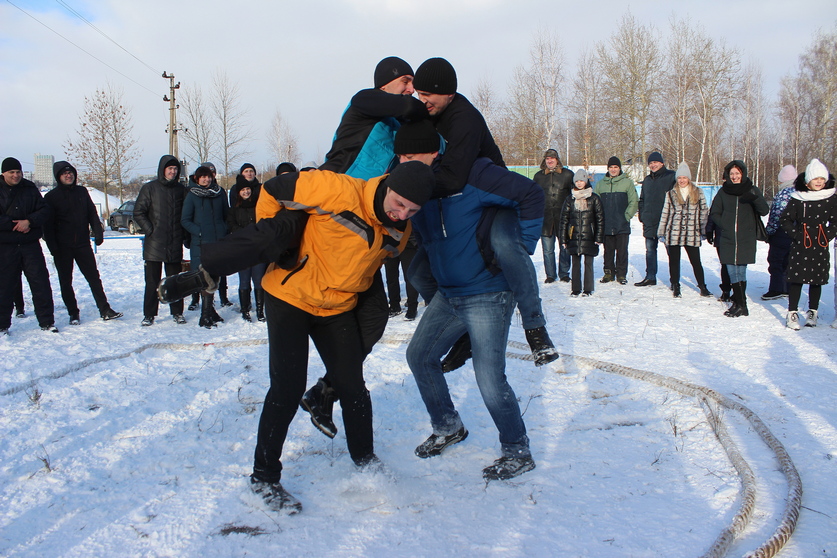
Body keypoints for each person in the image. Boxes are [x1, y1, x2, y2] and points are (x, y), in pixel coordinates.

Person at [249, 161, 435, 512]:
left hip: (335, 307)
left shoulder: (400, 229)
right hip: (290, 296)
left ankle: (365, 460)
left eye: (412, 211)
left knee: (352, 387)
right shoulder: (337, 190)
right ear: (388, 185)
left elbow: (372, 263)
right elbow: (273, 190)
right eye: (399, 204)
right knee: (287, 388)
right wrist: (276, 242)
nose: (401, 215)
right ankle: (264, 476)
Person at [412, 57, 558, 367]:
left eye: (428, 95)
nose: (422, 101)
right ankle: (463, 329)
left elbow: (453, 178)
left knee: (506, 246)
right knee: (417, 272)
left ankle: (535, 327)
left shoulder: (464, 119)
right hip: (465, 202)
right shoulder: (430, 113)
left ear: (449, 93)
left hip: (497, 200)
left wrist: (523, 244)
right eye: (418, 94)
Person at [406, 155, 544, 481]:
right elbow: (425, 239)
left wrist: (519, 247)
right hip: (449, 294)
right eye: (401, 156)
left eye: (410, 155)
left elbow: (530, 195)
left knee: (489, 379)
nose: (404, 161)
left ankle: (517, 451)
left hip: (488, 293)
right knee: (419, 356)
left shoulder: (472, 176)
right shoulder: (420, 190)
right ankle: (448, 426)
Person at [320, 56, 427, 178]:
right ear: (384, 85)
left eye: (413, 84)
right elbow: (409, 107)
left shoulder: (399, 122)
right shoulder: (364, 99)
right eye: (405, 82)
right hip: (338, 180)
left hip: (367, 187)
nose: (412, 90)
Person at [43, 161, 122, 325]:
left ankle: (105, 309)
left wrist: (98, 231)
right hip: (62, 247)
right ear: (58, 177)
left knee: (94, 278)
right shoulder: (51, 197)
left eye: (70, 172)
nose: (68, 175)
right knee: (66, 281)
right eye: (64, 173)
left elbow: (92, 213)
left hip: (82, 244)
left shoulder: (82, 191)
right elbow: (47, 225)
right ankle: (73, 313)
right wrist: (53, 247)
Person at [0, 156, 57, 334]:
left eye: (18, 172)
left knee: (40, 283)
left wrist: (29, 222)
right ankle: (2, 325)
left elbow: (45, 210)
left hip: (30, 244)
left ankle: (47, 322)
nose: (16, 175)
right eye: (11, 172)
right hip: (6, 246)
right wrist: (13, 225)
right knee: (4, 286)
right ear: (3, 173)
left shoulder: (29, 188)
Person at [779, 159, 837, 329]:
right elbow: (785, 220)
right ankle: (792, 313)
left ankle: (813, 312)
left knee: (816, 279)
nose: (819, 182)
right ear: (807, 181)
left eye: (822, 179)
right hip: (800, 244)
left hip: (820, 244)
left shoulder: (830, 198)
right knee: (797, 279)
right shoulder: (798, 198)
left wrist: (826, 236)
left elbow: (835, 222)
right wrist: (796, 235)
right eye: (815, 178)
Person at [709, 160, 769, 317]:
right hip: (728, 237)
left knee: (741, 271)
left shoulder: (752, 190)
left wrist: (754, 198)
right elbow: (714, 212)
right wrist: (725, 224)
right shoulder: (723, 192)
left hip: (745, 237)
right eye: (731, 174)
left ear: (743, 174)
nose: (734, 176)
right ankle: (740, 304)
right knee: (732, 270)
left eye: (737, 173)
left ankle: (741, 304)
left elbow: (764, 210)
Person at [133, 155, 188, 326]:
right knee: (152, 282)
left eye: (175, 169)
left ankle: (177, 312)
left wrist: (184, 235)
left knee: (175, 281)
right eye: (169, 168)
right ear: (162, 170)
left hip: (174, 242)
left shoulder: (181, 190)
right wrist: (151, 230)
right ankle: (149, 314)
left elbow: (186, 215)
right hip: (154, 244)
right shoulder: (150, 188)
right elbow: (138, 212)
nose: (173, 172)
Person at [182, 165, 229, 328]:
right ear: (197, 178)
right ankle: (205, 315)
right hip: (201, 244)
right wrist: (200, 232)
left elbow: (226, 215)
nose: (206, 179)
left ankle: (211, 311)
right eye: (203, 177)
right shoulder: (192, 195)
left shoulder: (219, 193)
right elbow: (185, 220)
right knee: (205, 278)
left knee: (215, 277)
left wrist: (224, 230)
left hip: (218, 242)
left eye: (208, 176)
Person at [657, 163, 711, 298]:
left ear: (689, 178)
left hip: (692, 232)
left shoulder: (698, 192)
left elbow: (704, 212)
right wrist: (661, 232)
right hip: (674, 231)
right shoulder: (671, 193)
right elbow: (665, 213)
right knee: (674, 260)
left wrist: (704, 230)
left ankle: (702, 286)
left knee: (696, 261)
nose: (682, 180)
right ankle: (675, 284)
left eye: (684, 178)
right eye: (679, 178)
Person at [227, 163, 267, 322]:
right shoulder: (234, 209)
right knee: (244, 280)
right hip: (242, 248)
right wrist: (244, 234)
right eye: (243, 190)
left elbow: (262, 223)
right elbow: (232, 225)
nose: (246, 191)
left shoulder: (258, 206)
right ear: (238, 192)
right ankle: (245, 310)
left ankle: (260, 310)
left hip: (257, 247)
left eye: (248, 189)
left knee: (259, 280)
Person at [560, 169, 604, 296]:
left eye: (582, 181)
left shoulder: (594, 198)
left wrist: (598, 237)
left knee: (588, 263)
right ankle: (575, 289)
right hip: (574, 236)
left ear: (586, 181)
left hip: (589, 235)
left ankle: (588, 289)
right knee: (575, 264)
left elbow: (600, 219)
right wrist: (564, 238)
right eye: (577, 181)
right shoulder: (570, 199)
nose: (579, 183)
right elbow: (564, 220)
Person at [595, 156, 638, 284]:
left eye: (616, 167)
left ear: (619, 168)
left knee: (622, 251)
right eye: (611, 167)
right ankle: (608, 273)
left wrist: (626, 216)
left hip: (622, 223)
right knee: (608, 251)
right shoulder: (601, 184)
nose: (613, 170)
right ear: (608, 168)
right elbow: (595, 203)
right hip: (606, 223)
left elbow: (634, 201)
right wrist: (599, 218)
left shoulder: (627, 183)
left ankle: (621, 274)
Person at [635, 151, 675, 286]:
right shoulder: (647, 180)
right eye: (651, 163)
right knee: (650, 251)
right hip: (650, 221)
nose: (653, 165)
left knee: (671, 252)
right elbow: (642, 199)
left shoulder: (671, 177)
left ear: (662, 163)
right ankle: (650, 277)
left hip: (666, 221)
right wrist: (642, 215)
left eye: (655, 162)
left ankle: (674, 279)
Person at [534, 149, 573, 283]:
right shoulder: (539, 177)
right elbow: (533, 196)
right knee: (548, 250)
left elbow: (576, 193)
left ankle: (564, 273)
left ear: (557, 160)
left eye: (552, 158)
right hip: (545, 219)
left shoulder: (567, 175)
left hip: (564, 218)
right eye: (547, 159)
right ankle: (550, 275)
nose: (550, 161)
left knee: (565, 248)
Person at [762, 165, 798, 300]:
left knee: (776, 261)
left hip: (781, 233)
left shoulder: (782, 194)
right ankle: (787, 288)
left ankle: (775, 289)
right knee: (789, 262)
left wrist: (769, 232)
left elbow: (776, 216)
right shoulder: (800, 192)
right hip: (796, 233)